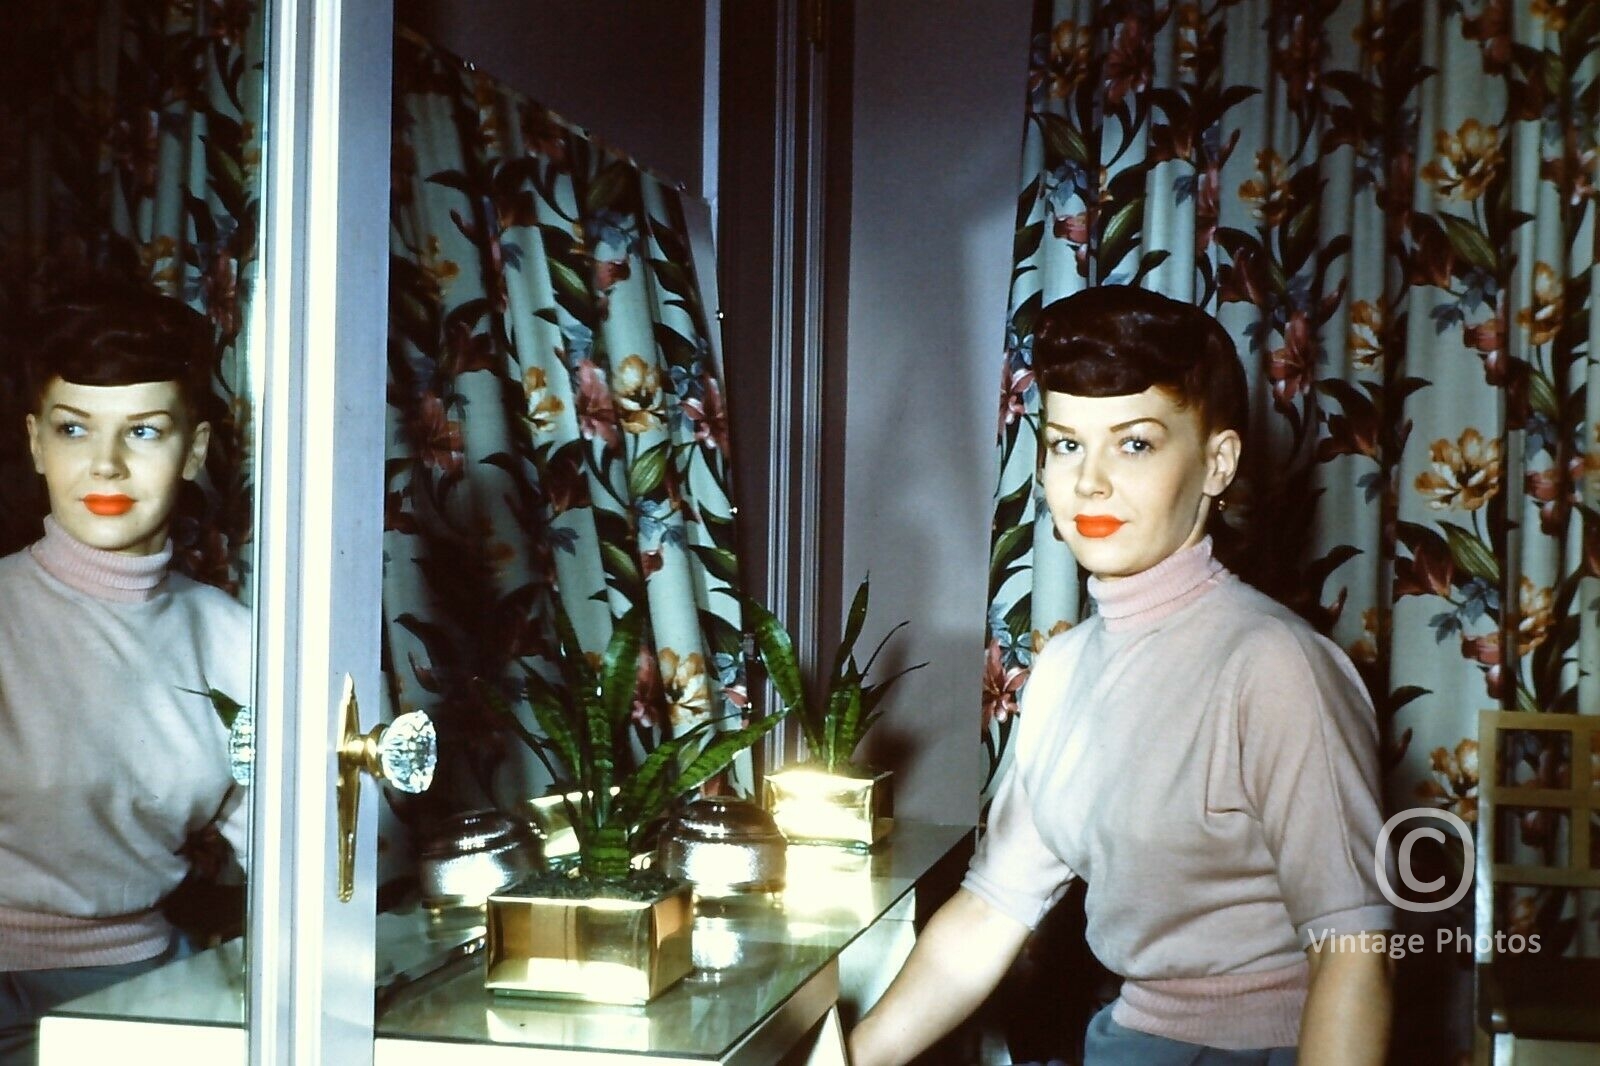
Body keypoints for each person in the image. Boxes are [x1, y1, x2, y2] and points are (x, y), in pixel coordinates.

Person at [850, 286, 1393, 1065]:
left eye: (1134, 443)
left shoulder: (1274, 666)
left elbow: (1353, 954)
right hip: (1130, 1040)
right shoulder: (1065, 670)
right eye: (1067, 444)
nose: (1090, 482)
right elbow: (989, 915)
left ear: (1217, 463)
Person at [0, 285, 250, 1065]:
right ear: (37, 443)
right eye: (75, 429)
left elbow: (310, 856)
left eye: (143, 430)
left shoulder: (236, 640)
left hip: (147, 990)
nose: (105, 463)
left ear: (196, 451)